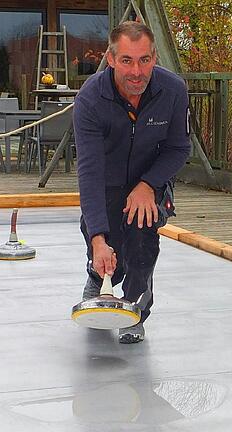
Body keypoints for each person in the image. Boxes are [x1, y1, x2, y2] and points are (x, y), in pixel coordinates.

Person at [73, 21, 191, 344]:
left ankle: (136, 305)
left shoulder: (174, 91)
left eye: (144, 60)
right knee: (105, 238)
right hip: (106, 182)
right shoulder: (89, 101)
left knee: (141, 234)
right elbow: (90, 172)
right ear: (110, 59)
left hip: (151, 181)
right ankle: (98, 275)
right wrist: (98, 237)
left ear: (154, 57)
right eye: (126, 60)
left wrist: (149, 184)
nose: (136, 71)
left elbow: (180, 148)